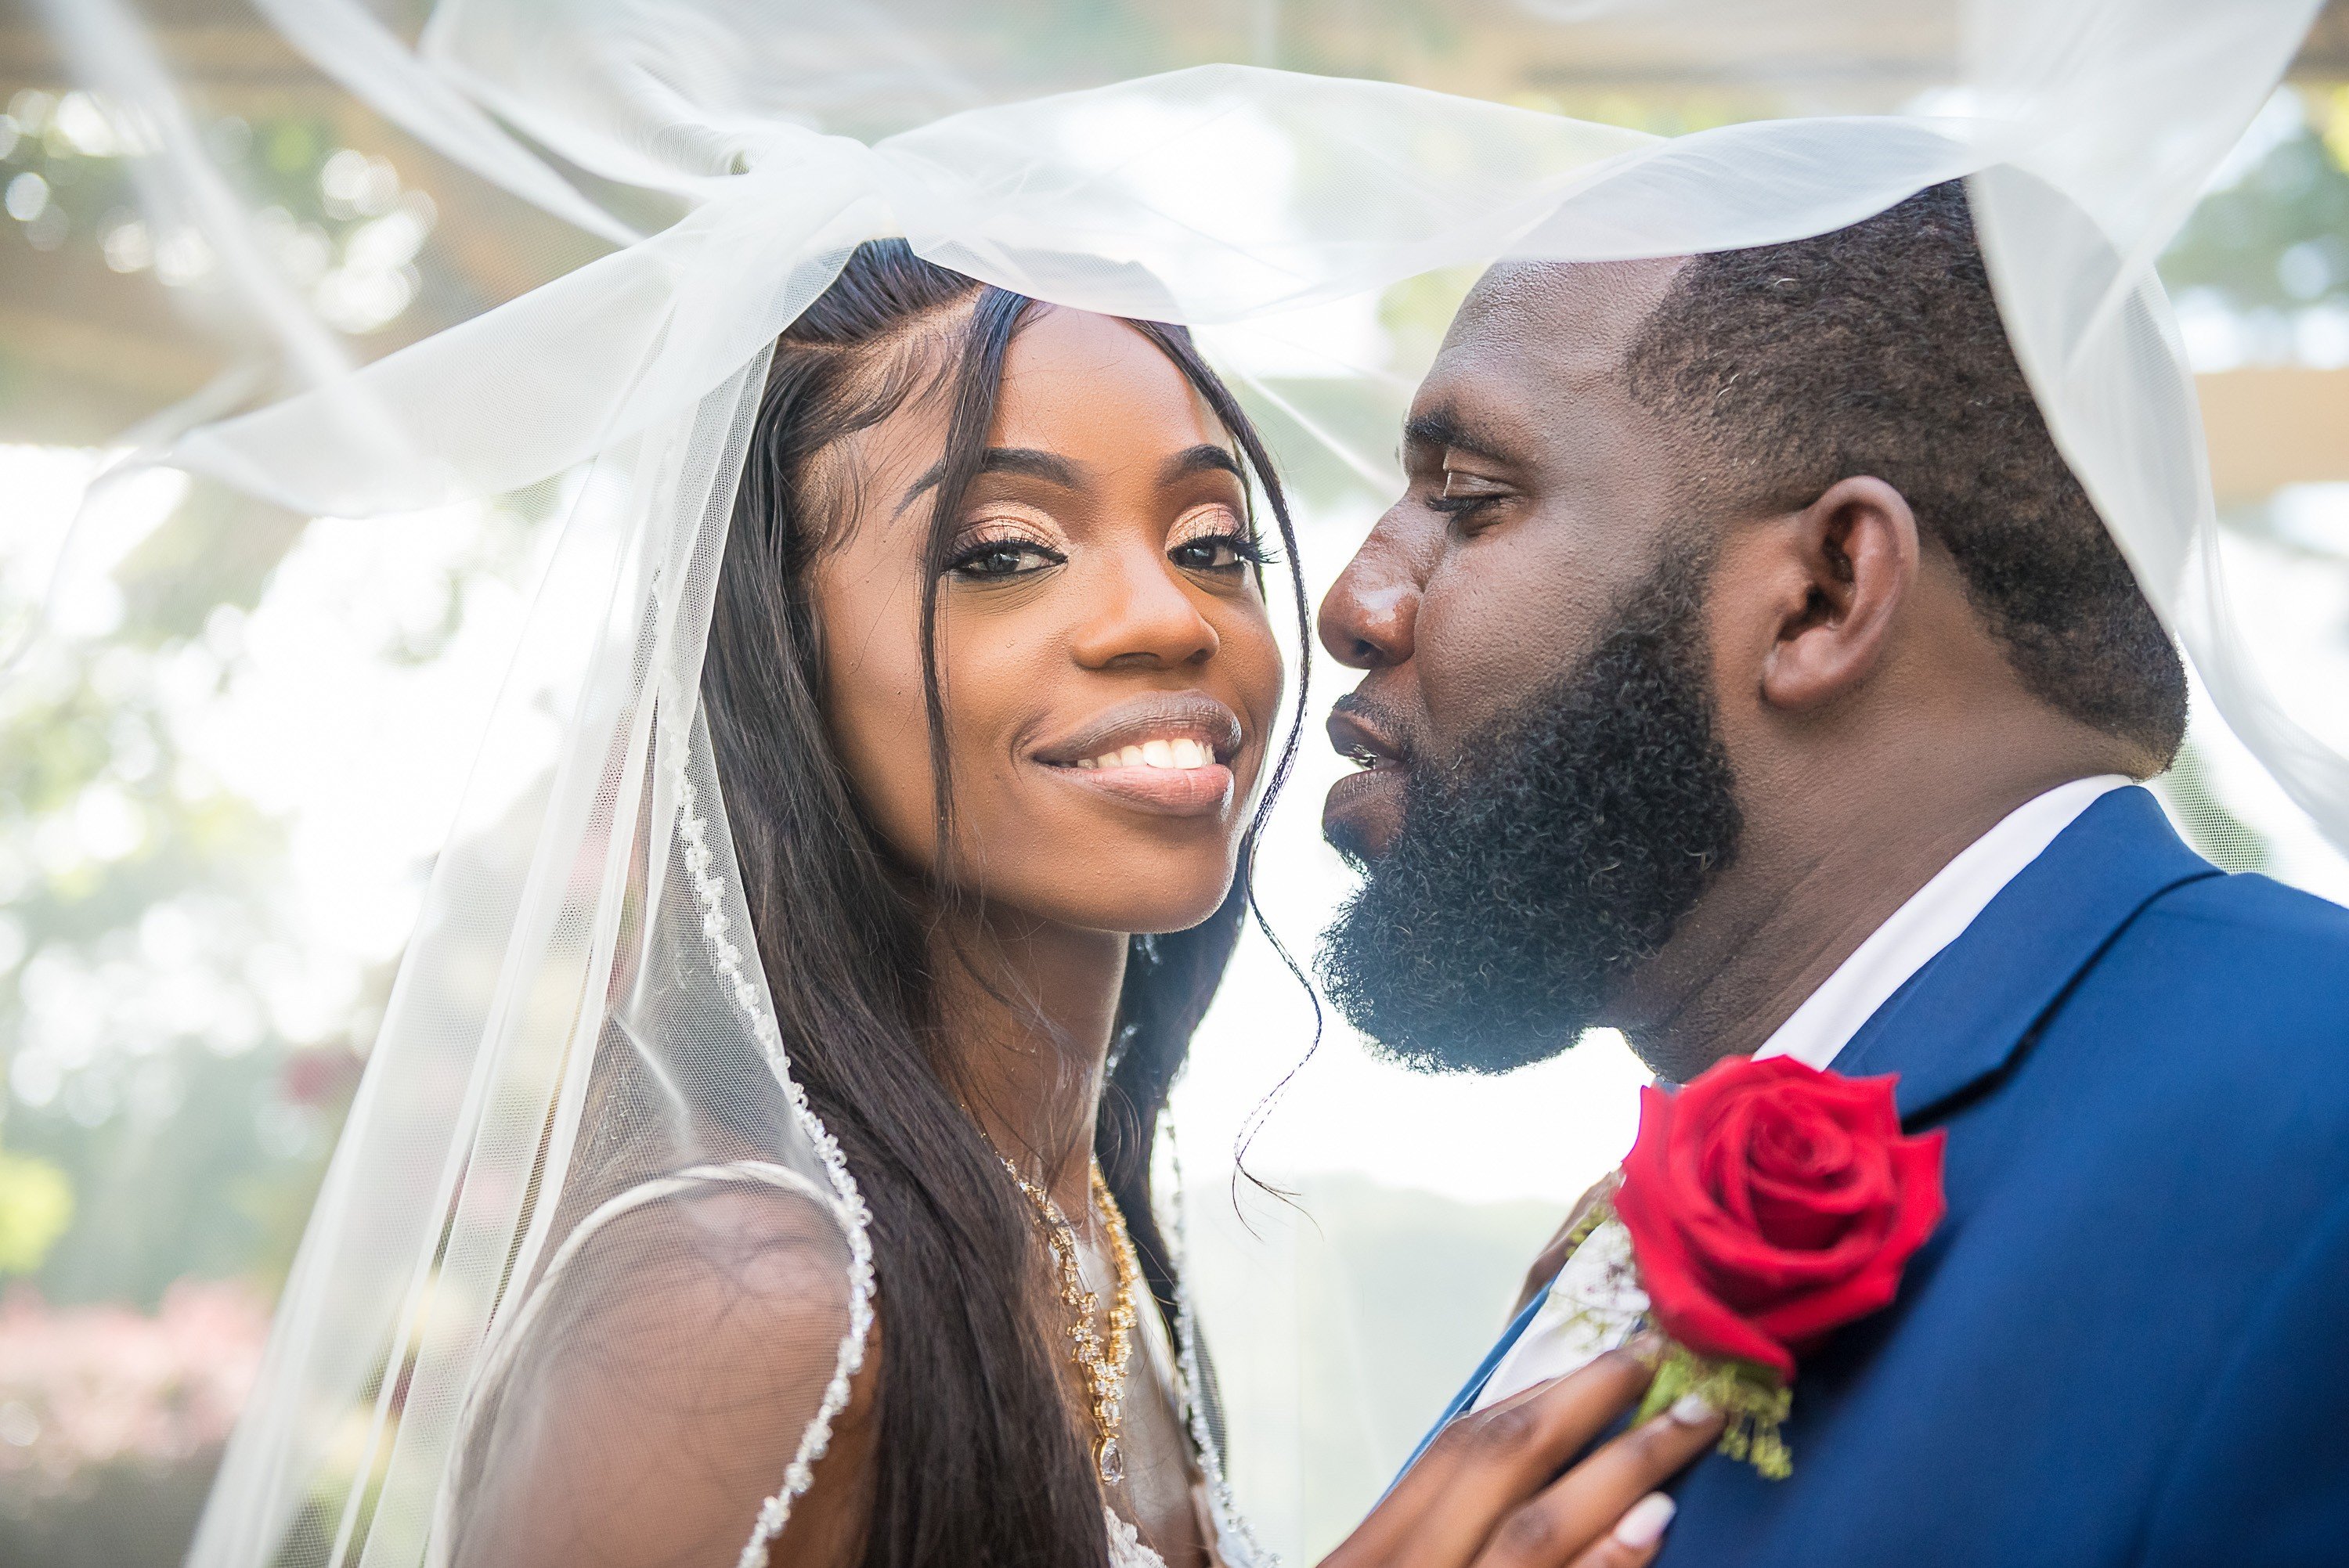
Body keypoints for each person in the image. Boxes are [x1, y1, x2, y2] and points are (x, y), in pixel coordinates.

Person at [439, 238, 1713, 1568]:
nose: (1170, 617)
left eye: (1214, 543)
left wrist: (1533, 1401)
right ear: (778, 653)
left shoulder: (1081, 1227)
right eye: (1004, 553)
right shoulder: (743, 1296)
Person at [1316, 182, 2349, 1566]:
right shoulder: (1634, 1225)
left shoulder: (2313, 1124)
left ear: (1823, 595)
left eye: (1470, 500)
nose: (1355, 603)